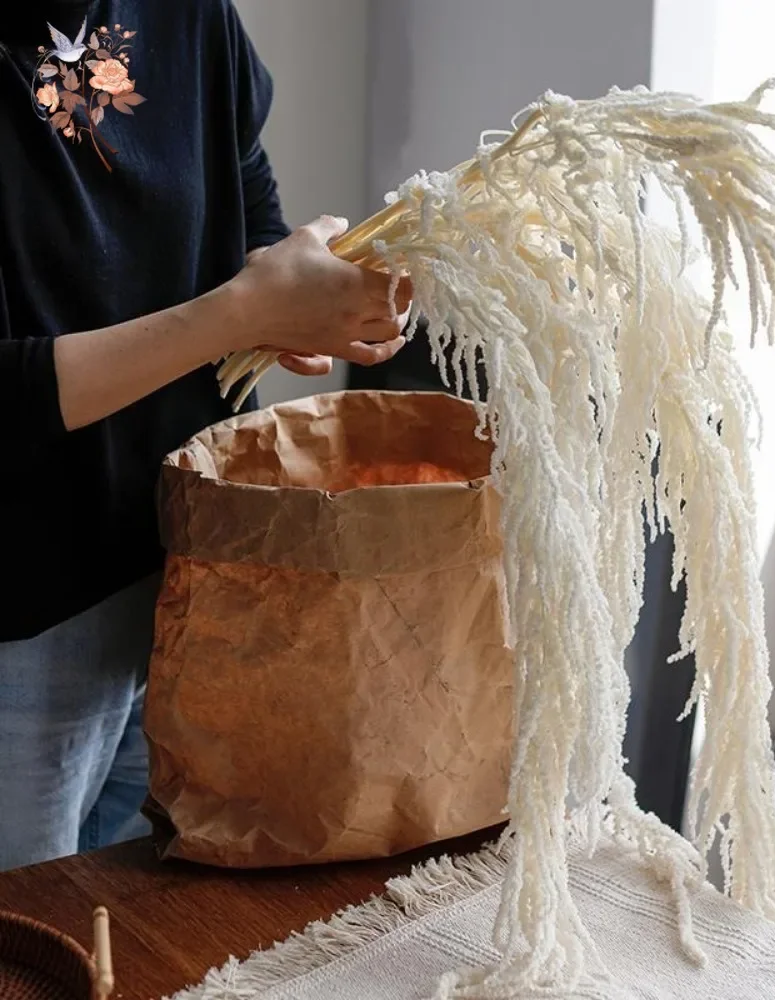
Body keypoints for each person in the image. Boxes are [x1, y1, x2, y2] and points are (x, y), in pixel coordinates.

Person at [0, 0, 410, 871]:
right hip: (23, 608)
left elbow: (239, 176)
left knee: (143, 916)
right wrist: (241, 312)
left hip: (192, 569)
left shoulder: (190, 15)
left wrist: (292, 288)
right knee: (33, 943)